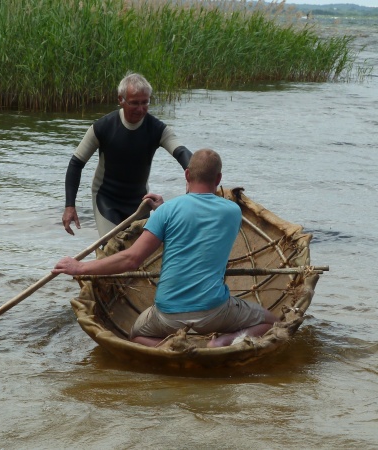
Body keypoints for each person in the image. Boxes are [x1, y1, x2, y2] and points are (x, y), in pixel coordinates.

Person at [52, 149, 279, 348]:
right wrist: (166, 210)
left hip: (167, 315)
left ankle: (165, 348)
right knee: (271, 322)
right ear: (219, 178)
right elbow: (199, 223)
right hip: (216, 312)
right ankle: (222, 342)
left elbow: (131, 259)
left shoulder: (167, 211)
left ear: (187, 175)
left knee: (136, 334)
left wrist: (80, 266)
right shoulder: (233, 212)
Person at [62, 72, 192, 236]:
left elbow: (181, 152)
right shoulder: (103, 127)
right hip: (107, 201)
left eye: (145, 102)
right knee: (112, 250)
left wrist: (192, 174)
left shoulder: (157, 129)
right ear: (121, 100)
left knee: (139, 258)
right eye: (134, 103)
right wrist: (69, 206)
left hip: (139, 203)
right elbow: (76, 163)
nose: (140, 109)